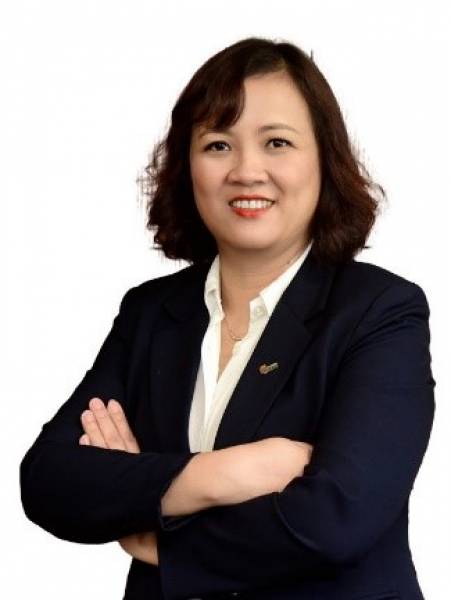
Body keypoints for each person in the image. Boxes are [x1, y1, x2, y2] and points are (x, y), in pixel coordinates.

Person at [19, 37, 436, 600]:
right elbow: (49, 480)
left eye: (277, 142)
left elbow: (337, 519)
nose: (246, 170)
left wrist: (157, 529)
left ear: (324, 159)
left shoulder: (379, 311)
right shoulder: (151, 313)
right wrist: (228, 473)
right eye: (218, 144)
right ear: (186, 166)